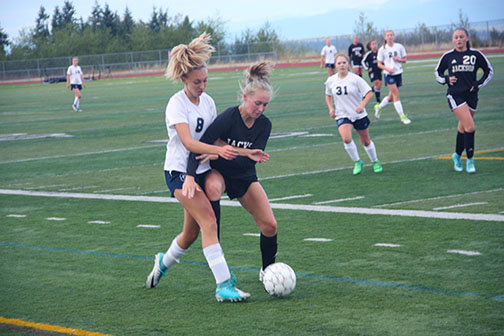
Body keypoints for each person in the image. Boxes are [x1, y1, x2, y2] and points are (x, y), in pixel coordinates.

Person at [145, 33, 251, 303]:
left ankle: (163, 262)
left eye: (205, 81)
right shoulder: (176, 104)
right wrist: (217, 152)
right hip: (179, 173)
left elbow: (214, 138)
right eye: (196, 82)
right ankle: (223, 285)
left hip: (202, 171)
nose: (202, 86)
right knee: (209, 222)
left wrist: (242, 151)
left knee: (191, 234)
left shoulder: (208, 101)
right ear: (184, 80)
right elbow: (189, 142)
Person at [184, 62, 277, 281]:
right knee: (213, 187)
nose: (261, 109)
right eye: (257, 103)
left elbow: (247, 163)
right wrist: (193, 172)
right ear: (245, 97)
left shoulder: (264, 125)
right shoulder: (227, 117)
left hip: (243, 176)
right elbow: (198, 148)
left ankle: (268, 271)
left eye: (265, 105)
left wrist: (222, 150)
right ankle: (215, 244)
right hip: (219, 173)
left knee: (270, 225)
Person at [435, 28, 493, 173]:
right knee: (470, 127)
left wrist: (478, 83)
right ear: (453, 40)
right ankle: (470, 161)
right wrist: (446, 79)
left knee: (463, 128)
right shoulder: (448, 56)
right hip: (455, 95)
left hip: (472, 96)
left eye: (461, 37)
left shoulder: (475, 54)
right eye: (456, 37)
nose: (458, 40)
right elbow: (438, 73)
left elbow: (489, 71)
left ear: (467, 38)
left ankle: (456, 156)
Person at [325, 54, 382, 175]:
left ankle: (375, 161)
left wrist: (362, 106)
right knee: (346, 138)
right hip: (342, 114)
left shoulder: (355, 79)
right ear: (335, 65)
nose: (342, 65)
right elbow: (328, 95)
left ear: (348, 64)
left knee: (366, 141)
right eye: (339, 63)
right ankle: (357, 161)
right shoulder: (331, 81)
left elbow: (369, 93)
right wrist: (331, 108)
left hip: (358, 115)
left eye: (344, 62)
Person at [375, 30, 411, 125]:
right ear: (385, 37)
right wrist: (387, 68)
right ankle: (402, 116)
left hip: (398, 73)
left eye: (391, 35)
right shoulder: (382, 49)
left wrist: (398, 59)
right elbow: (379, 64)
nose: (390, 37)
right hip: (389, 74)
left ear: (393, 36)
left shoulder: (399, 47)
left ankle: (379, 107)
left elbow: (405, 60)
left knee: (391, 97)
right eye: (388, 35)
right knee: (396, 94)